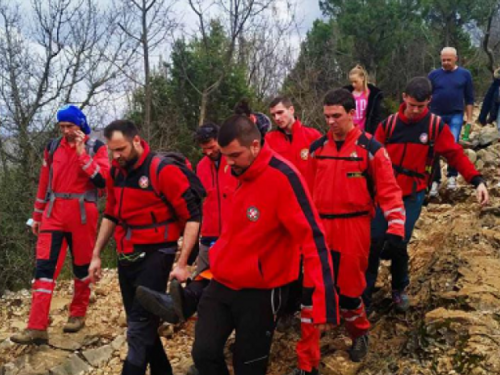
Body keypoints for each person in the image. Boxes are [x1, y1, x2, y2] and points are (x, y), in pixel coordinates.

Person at [191, 115, 338, 375]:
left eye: (235, 155)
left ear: (256, 145)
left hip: (261, 290)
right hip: (223, 281)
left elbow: (313, 240)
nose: (228, 162)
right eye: (225, 156)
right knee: (203, 354)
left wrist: (322, 300)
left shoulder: (283, 178)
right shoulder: (232, 169)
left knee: (248, 366)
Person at [288, 89, 405, 374]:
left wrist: (396, 229)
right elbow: (303, 191)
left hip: (354, 228)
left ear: (352, 114)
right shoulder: (316, 149)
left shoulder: (371, 149)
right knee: (310, 295)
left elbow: (390, 192)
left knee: (351, 294)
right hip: (320, 229)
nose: (330, 121)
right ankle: (307, 363)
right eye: (326, 116)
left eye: (336, 116)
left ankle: (359, 332)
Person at [364, 77, 489, 314]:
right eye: (411, 105)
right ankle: (364, 294)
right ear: (404, 98)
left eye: (420, 107)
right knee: (373, 242)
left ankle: (399, 288)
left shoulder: (434, 127)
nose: (414, 111)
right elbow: (368, 159)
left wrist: (477, 180)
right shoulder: (388, 125)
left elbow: (455, 155)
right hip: (383, 194)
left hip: (412, 194)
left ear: (429, 102)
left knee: (398, 242)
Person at [88, 120, 202, 375]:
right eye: (112, 150)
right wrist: (96, 254)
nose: (116, 156)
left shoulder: (163, 171)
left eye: (121, 149)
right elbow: (111, 215)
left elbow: (193, 216)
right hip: (127, 255)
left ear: (137, 141)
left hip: (157, 254)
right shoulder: (115, 173)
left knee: (138, 327)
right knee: (142, 323)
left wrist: (182, 263)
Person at [10, 105, 109, 345]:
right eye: (62, 126)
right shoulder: (52, 147)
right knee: (43, 271)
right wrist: (37, 215)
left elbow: (103, 181)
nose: (65, 131)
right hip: (53, 214)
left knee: (82, 268)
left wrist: (81, 153)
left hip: (82, 214)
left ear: (80, 125)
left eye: (70, 126)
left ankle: (77, 313)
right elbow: (45, 182)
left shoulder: (97, 147)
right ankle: (36, 327)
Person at [266, 96, 322, 331]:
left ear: (291, 110)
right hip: (280, 215)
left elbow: (323, 173)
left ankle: (310, 307)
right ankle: (286, 310)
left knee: (310, 262)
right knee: (284, 264)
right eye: (273, 115)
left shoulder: (313, 137)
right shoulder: (268, 141)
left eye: (280, 113)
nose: (277, 118)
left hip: (309, 212)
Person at [428, 47, 475, 194]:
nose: (446, 62)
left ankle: (452, 177)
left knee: (452, 146)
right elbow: (426, 97)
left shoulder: (465, 75)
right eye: (443, 60)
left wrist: (469, 119)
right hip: (435, 116)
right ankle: (435, 180)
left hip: (456, 114)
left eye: (449, 60)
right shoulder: (433, 75)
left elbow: (469, 98)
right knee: (434, 148)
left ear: (456, 58)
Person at [343, 65, 384, 134]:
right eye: (351, 82)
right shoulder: (347, 94)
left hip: (366, 132)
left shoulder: (373, 95)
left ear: (362, 78)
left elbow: (376, 116)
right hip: (350, 131)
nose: (353, 84)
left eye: (355, 81)